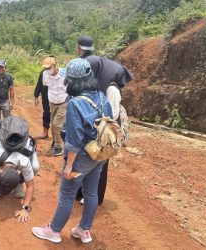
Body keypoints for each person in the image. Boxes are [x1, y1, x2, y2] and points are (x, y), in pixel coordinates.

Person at [32, 58, 113, 244]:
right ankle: (84, 230)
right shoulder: (101, 95)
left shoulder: (75, 103)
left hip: (81, 157)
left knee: (67, 194)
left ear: (71, 80)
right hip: (99, 153)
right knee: (91, 192)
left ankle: (53, 230)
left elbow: (75, 140)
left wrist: (69, 165)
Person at [76, 35, 133, 205]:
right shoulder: (102, 87)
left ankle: (96, 197)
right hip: (99, 128)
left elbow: (112, 115)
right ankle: (82, 192)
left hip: (106, 131)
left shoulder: (112, 89)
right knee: (89, 158)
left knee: (101, 163)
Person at [0, 116, 39, 223]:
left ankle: (18, 184)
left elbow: (30, 186)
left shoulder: (24, 162)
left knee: (35, 167)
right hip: (2, 140)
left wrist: (25, 208)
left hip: (25, 146)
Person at [42, 56, 68, 156]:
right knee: (53, 124)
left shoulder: (64, 73)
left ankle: (59, 147)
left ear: (55, 65)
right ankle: (55, 140)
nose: (47, 70)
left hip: (63, 102)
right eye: (46, 68)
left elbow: (70, 87)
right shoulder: (45, 74)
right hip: (52, 102)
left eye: (49, 67)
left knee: (57, 124)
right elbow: (46, 87)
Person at [33, 56, 54, 140]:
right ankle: (45, 132)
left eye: (49, 67)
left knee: (57, 117)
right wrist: (36, 96)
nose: (47, 69)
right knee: (46, 114)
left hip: (57, 98)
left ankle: (57, 136)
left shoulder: (60, 73)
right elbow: (39, 84)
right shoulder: (43, 73)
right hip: (46, 97)